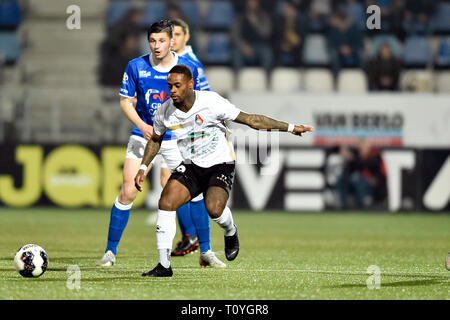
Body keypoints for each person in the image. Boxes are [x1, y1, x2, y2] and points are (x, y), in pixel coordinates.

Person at [135, 64, 314, 277]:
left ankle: (230, 230)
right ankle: (164, 266)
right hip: (191, 166)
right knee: (165, 202)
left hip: (220, 163)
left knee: (214, 209)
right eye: (169, 86)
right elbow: (155, 139)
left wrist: (291, 128)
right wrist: (143, 167)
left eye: (177, 85)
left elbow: (251, 120)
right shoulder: (165, 111)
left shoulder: (211, 102)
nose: (172, 90)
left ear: (190, 84)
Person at [96, 19, 226, 269]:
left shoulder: (187, 68)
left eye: (162, 40)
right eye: (152, 41)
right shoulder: (136, 66)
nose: (157, 46)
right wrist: (143, 125)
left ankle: (206, 252)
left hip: (178, 139)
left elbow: (201, 102)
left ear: (172, 41)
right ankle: (110, 252)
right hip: (144, 135)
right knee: (128, 189)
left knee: (196, 193)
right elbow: (125, 101)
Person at [149, 18, 212, 258]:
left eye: (176, 35)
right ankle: (195, 238)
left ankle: (194, 237)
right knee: (181, 184)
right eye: (169, 35)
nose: (171, 39)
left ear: (186, 37)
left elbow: (204, 97)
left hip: (185, 131)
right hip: (173, 128)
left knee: (177, 182)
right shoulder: (167, 61)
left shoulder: (190, 64)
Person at [335, 140, 387, 209]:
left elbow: (365, 164)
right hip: (358, 182)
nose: (361, 149)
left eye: (362, 147)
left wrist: (352, 158)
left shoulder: (375, 155)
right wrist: (347, 157)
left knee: (356, 178)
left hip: (375, 184)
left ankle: (361, 205)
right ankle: (343, 204)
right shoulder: (357, 156)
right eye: (359, 147)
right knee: (342, 178)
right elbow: (349, 170)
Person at [231, 0, 273, 72]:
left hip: (260, 45)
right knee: (236, 54)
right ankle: (239, 77)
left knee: (267, 53)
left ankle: (265, 77)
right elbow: (234, 35)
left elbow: (267, 33)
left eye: (254, 2)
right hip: (244, 45)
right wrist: (244, 46)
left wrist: (255, 22)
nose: (252, 4)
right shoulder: (240, 17)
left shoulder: (264, 16)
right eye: (250, 2)